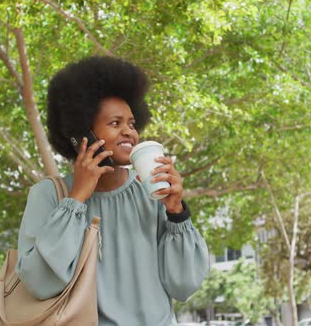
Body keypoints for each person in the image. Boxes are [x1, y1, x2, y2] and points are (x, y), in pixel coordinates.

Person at [15, 56, 210, 325]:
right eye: (115, 123)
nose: (129, 132)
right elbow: (40, 283)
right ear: (84, 133)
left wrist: (177, 212)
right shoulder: (48, 195)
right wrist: (76, 200)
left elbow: (184, 285)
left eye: (131, 123)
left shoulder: (152, 194)